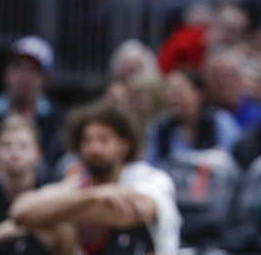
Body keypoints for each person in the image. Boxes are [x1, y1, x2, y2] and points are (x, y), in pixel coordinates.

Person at [10, 101, 182, 255]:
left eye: (103, 140)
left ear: (124, 145)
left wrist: (56, 209)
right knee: (48, 230)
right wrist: (96, 194)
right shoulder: (77, 183)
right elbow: (20, 210)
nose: (94, 148)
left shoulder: (149, 177)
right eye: (87, 140)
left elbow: (130, 213)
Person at [0, 116, 71, 255]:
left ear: (38, 153)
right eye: (6, 145)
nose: (15, 153)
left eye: (23, 146)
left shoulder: (51, 189)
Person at [145, 68, 241, 165]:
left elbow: (233, 163)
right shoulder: (160, 128)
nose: (172, 97)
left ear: (199, 94)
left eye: (178, 91)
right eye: (169, 91)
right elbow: (151, 165)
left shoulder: (220, 122)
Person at [0, 36, 65, 170]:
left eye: (31, 69)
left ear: (45, 79)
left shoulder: (59, 121)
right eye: (17, 66)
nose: (22, 75)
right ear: (6, 72)